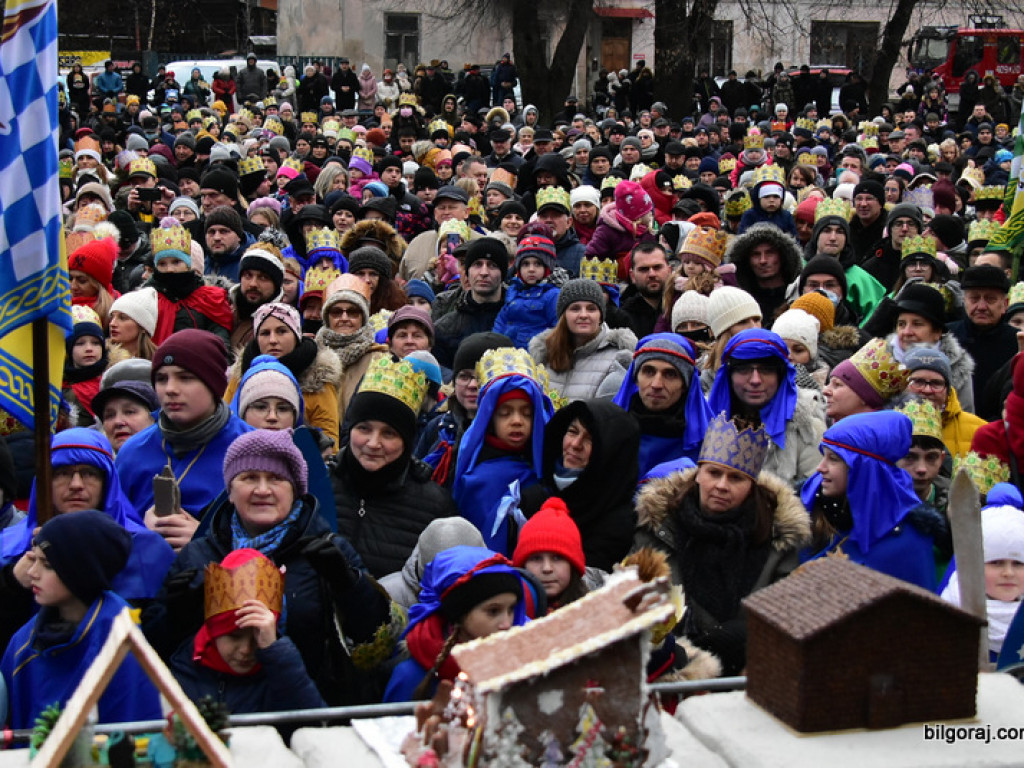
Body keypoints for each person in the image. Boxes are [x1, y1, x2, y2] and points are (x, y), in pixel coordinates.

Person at [143, 429, 394, 705]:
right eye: (249, 478)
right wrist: (173, 615)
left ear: (295, 489)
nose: (262, 490)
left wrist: (349, 584)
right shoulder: (198, 554)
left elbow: (376, 640)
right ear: (229, 491)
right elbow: (155, 649)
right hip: (213, 712)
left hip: (305, 710)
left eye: (276, 478)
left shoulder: (330, 551)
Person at [633, 413, 811, 675]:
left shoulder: (778, 540)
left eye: (736, 478)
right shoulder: (657, 528)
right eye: (714, 473)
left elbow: (790, 616)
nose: (721, 485)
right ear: (698, 474)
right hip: (671, 670)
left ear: (752, 485)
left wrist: (747, 638)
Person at [1, 512, 163, 729]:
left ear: (80, 570)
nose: (32, 572)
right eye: (34, 559)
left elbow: (132, 732)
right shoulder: (21, 644)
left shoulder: (119, 635)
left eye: (46, 564)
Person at [116, 330, 252, 548]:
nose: (170, 389)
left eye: (185, 378)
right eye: (161, 379)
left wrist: (207, 541)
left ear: (214, 384)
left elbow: (279, 536)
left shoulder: (254, 449)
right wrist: (139, 532)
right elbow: (111, 527)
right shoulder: (132, 452)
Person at [332, 357, 458, 579]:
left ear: (406, 440)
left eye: (388, 433)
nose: (373, 443)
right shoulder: (318, 485)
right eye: (364, 428)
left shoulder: (434, 507)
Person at [800, 410, 947, 591]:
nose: (820, 467)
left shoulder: (907, 540)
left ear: (863, 469)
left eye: (834, 459)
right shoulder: (812, 515)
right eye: (824, 456)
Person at [170, 548, 326, 713]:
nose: (246, 650)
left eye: (256, 638)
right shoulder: (183, 670)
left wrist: (276, 653)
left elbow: (313, 722)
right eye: (234, 636)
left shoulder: (280, 670)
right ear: (213, 631)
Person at [383, 546, 529, 702]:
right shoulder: (412, 676)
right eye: (493, 611)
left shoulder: (521, 666)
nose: (507, 624)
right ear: (459, 613)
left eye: (511, 609)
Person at [452, 348, 554, 555]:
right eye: (505, 413)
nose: (517, 421)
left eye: (526, 414)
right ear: (490, 419)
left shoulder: (547, 468)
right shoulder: (477, 479)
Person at [519, 399, 640, 571]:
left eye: (590, 439)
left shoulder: (617, 524)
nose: (575, 445)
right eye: (572, 432)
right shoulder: (533, 498)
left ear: (611, 454)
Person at [707, 329, 826, 488]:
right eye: (744, 369)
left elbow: (810, 498)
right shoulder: (705, 421)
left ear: (781, 375)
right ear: (729, 375)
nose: (755, 380)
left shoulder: (807, 430)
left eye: (766, 370)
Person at [224, 302, 342, 452]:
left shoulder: (318, 379)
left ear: (296, 335)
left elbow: (329, 445)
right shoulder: (242, 373)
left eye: (281, 331)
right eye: (265, 333)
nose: (273, 340)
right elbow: (227, 423)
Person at [416, 332, 512, 487]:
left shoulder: (513, 434)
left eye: (482, 377)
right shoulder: (439, 427)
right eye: (464, 376)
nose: (473, 385)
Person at [613, 333, 713, 477]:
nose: (656, 384)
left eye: (670, 374)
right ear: (635, 378)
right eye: (648, 372)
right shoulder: (610, 432)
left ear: (686, 385)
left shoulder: (708, 443)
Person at [529, 278, 636, 402]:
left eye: (591, 309)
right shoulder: (544, 352)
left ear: (601, 315)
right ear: (563, 315)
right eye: (575, 308)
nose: (583, 315)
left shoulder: (618, 357)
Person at [940, 505, 1024, 661]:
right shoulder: (950, 614)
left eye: (1018, 564)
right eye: (996, 563)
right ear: (974, 564)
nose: (1008, 573)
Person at [947, 265, 1019, 420]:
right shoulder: (946, 337)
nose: (981, 307)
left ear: (1005, 304)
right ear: (964, 300)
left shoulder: (1017, 342)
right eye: (974, 298)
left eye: (990, 299)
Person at [316, 274, 389, 419]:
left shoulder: (380, 359)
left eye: (353, 312)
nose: (344, 318)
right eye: (336, 312)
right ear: (327, 318)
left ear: (363, 317)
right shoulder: (312, 357)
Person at [433, 238, 509, 370]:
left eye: (492, 265)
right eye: (477, 264)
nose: (484, 272)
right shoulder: (445, 328)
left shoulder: (521, 319)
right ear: (467, 272)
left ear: (503, 273)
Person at [513, 498, 588, 609]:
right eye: (536, 558)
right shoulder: (509, 616)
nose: (547, 568)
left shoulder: (596, 611)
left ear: (573, 565)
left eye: (557, 558)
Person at [492, 235, 561, 349]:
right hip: (508, 355)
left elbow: (557, 329)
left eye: (537, 264)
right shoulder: (513, 290)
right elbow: (501, 321)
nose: (531, 269)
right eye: (525, 264)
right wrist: (495, 344)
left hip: (536, 356)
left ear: (547, 267)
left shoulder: (553, 295)